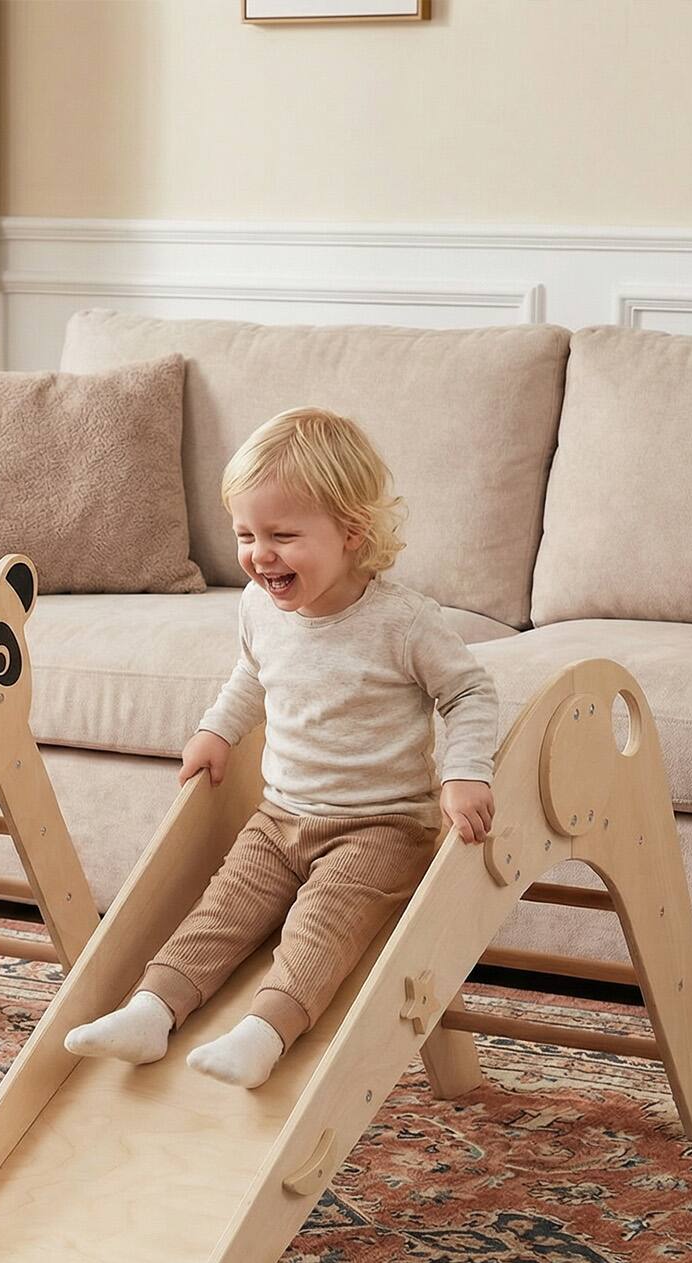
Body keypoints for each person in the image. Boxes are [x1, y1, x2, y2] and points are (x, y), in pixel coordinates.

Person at [65, 407, 498, 1088]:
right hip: (278, 817)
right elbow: (252, 677)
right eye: (245, 534)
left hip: (379, 828)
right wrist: (216, 731)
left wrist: (464, 775)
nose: (260, 554)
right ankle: (151, 1012)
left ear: (353, 534)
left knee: (320, 928)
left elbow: (470, 694)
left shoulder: (403, 622)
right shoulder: (259, 608)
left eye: (283, 535)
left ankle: (264, 1034)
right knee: (221, 912)